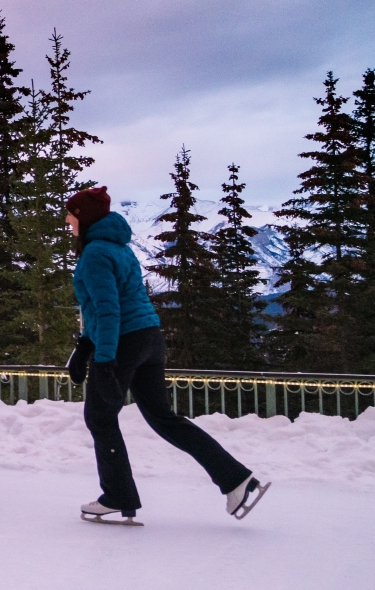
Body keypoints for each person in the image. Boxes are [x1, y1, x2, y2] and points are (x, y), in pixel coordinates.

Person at [64, 186, 269, 525]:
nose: (68, 220)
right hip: (149, 338)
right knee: (163, 419)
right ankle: (235, 478)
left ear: (84, 218)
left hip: (125, 342)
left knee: (100, 418)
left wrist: (104, 359)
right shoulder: (118, 248)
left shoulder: (95, 254)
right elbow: (105, 308)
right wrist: (84, 345)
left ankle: (118, 495)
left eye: (72, 214)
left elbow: (108, 309)